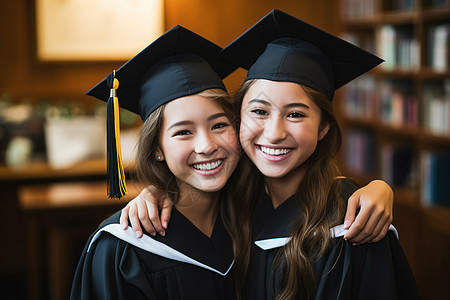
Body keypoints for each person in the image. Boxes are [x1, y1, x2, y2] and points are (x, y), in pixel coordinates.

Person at [120, 10, 418, 300]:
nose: (274, 133)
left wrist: (381, 187)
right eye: (259, 111)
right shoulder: (235, 206)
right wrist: (159, 191)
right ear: (238, 120)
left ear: (324, 126)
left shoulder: (352, 225)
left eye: (296, 114)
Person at [70, 25, 241, 299]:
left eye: (219, 125)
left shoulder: (253, 220)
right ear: (157, 149)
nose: (207, 146)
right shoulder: (122, 249)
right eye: (183, 132)